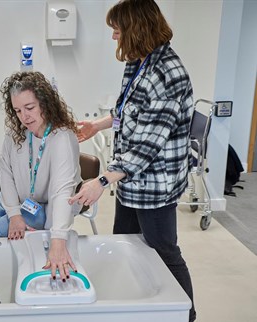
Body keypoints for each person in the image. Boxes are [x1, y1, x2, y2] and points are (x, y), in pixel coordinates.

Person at [69, 0, 196, 321]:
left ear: (137, 29)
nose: (114, 37)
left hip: (154, 185)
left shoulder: (169, 74)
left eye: (118, 30)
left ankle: (186, 314)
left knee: (164, 251)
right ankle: (134, 306)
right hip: (129, 180)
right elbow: (129, 109)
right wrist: (97, 124)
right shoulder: (140, 62)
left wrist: (100, 181)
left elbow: (147, 145)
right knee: (125, 243)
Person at [0, 71, 82, 281]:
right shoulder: (16, 133)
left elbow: (61, 191)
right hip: (19, 199)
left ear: (45, 103)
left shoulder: (62, 138)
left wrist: (58, 240)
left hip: (46, 205)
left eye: (29, 108)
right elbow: (7, 175)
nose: (24, 116)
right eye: (18, 110)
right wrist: (14, 215)